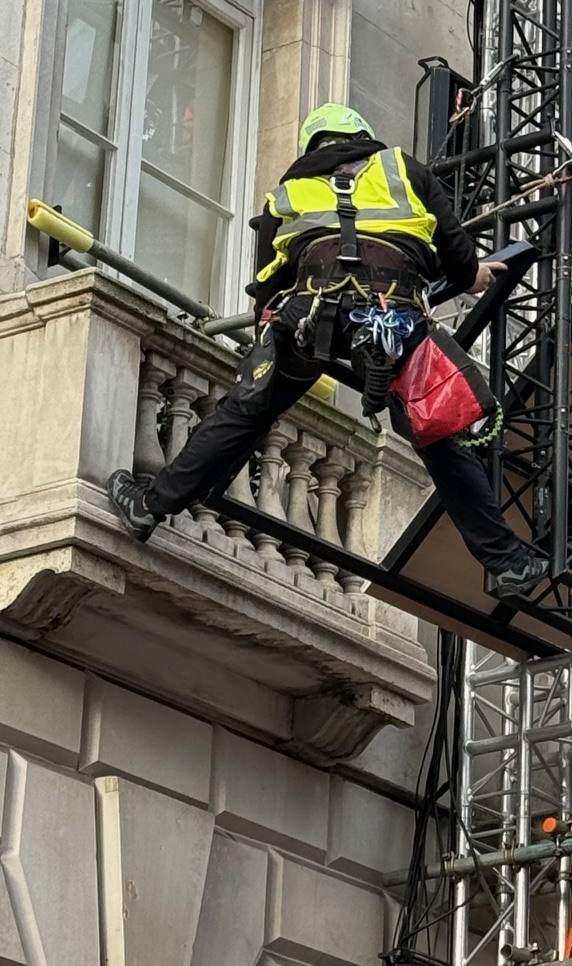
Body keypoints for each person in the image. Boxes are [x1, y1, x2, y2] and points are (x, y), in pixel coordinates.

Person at [105, 102, 549, 598]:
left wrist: (272, 356)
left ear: (312, 147)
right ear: (364, 138)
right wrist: (477, 275)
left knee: (244, 413)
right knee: (436, 434)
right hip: (393, 321)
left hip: (308, 316)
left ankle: (150, 506)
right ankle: (506, 561)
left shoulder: (285, 193)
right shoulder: (404, 168)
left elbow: (267, 288)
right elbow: (460, 261)